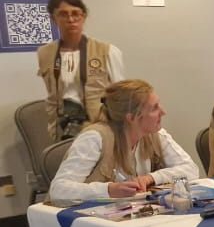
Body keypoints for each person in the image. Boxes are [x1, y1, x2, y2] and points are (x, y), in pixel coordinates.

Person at [50, 79, 198, 202]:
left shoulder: (155, 134)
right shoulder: (95, 138)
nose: (163, 112)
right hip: (86, 221)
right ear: (131, 117)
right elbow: (58, 190)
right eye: (154, 108)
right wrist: (107, 190)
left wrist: (151, 178)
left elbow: (190, 169)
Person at [37, 0, 125, 140]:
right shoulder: (44, 53)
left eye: (75, 14)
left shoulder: (107, 51)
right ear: (53, 18)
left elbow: (120, 94)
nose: (70, 19)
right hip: (61, 127)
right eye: (63, 14)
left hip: (98, 126)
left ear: (83, 16)